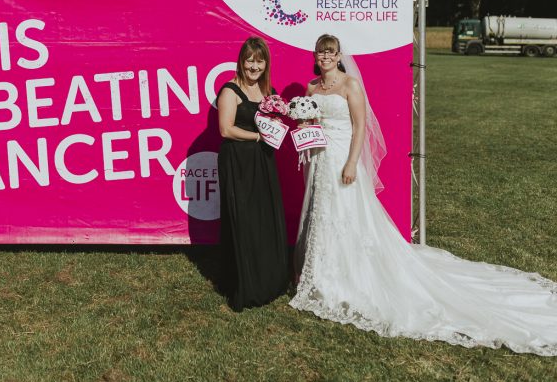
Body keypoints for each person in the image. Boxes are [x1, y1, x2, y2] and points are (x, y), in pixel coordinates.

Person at [289, 34, 557, 355]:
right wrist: (301, 120)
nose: (325, 57)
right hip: (318, 158)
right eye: (321, 53)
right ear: (316, 56)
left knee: (346, 217)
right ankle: (319, 274)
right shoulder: (312, 88)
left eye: (330, 53)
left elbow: (360, 127)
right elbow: (313, 119)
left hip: (342, 159)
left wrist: (351, 163)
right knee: (322, 214)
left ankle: (347, 277)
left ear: (338, 55)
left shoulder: (350, 85)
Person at [217, 36, 288, 311]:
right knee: (244, 220)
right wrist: (258, 137)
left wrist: (277, 125)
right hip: (238, 162)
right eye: (250, 61)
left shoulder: (268, 91)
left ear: (265, 63)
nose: (254, 66)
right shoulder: (230, 90)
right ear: (242, 61)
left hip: (263, 162)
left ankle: (269, 280)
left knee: (264, 217)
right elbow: (225, 129)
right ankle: (244, 282)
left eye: (259, 61)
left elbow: (275, 124)